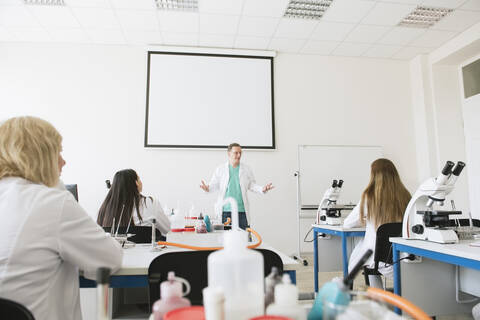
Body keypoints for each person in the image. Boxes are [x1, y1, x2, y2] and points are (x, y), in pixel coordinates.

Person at [0, 116, 123, 320]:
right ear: (40, 155)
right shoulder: (50, 201)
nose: (63, 161)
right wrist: (54, 183)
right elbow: (109, 259)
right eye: (58, 152)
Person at [343, 158, 411, 288]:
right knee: (369, 251)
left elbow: (348, 223)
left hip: (379, 261)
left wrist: (366, 221)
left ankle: (377, 299)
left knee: (363, 249)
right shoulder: (406, 195)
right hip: (402, 259)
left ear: (373, 175)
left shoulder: (370, 197)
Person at [200, 143, 274, 230]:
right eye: (236, 153)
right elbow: (213, 185)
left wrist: (262, 189)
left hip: (242, 212)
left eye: (240, 153)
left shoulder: (246, 169)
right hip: (226, 211)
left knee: (245, 240)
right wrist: (207, 188)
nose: (239, 155)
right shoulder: (220, 169)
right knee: (226, 240)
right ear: (229, 154)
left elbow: (251, 185)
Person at [97, 169, 171, 236]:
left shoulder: (104, 208)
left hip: (114, 250)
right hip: (145, 250)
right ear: (136, 183)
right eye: (139, 179)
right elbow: (166, 228)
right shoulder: (150, 203)